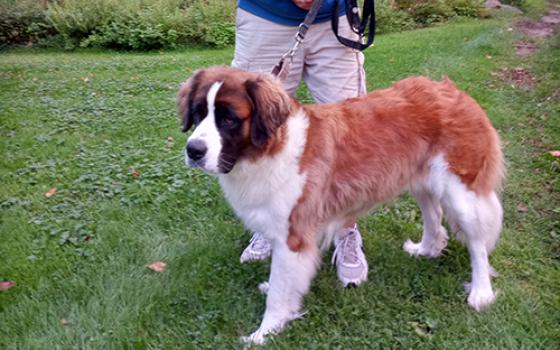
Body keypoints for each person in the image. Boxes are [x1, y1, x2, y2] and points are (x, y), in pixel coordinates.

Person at [232, 0, 369, 287]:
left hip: (336, 17)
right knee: (259, 126)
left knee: (351, 136)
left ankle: (346, 231)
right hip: (265, 16)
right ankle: (268, 224)